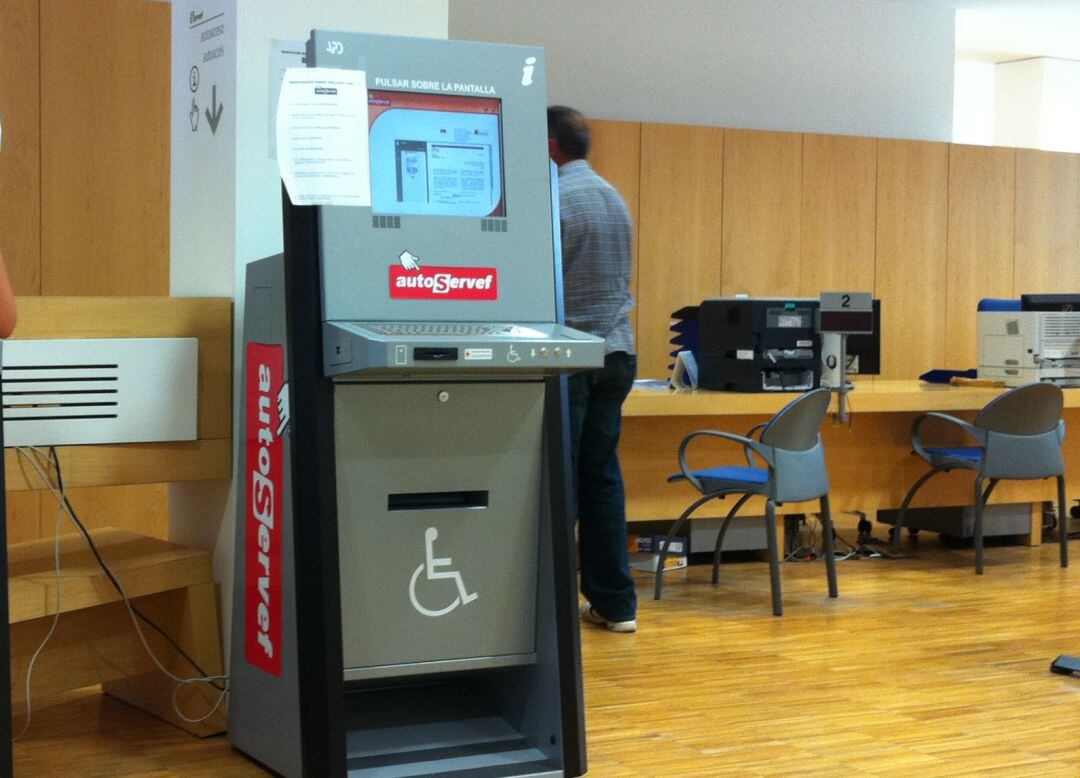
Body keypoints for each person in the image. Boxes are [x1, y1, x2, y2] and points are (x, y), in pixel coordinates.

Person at [548, 106, 637, 633]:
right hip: (617, 353)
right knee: (601, 477)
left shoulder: (554, 200)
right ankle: (615, 604)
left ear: (550, 146)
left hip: (571, 356)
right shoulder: (613, 197)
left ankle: (549, 610)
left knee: (559, 480)